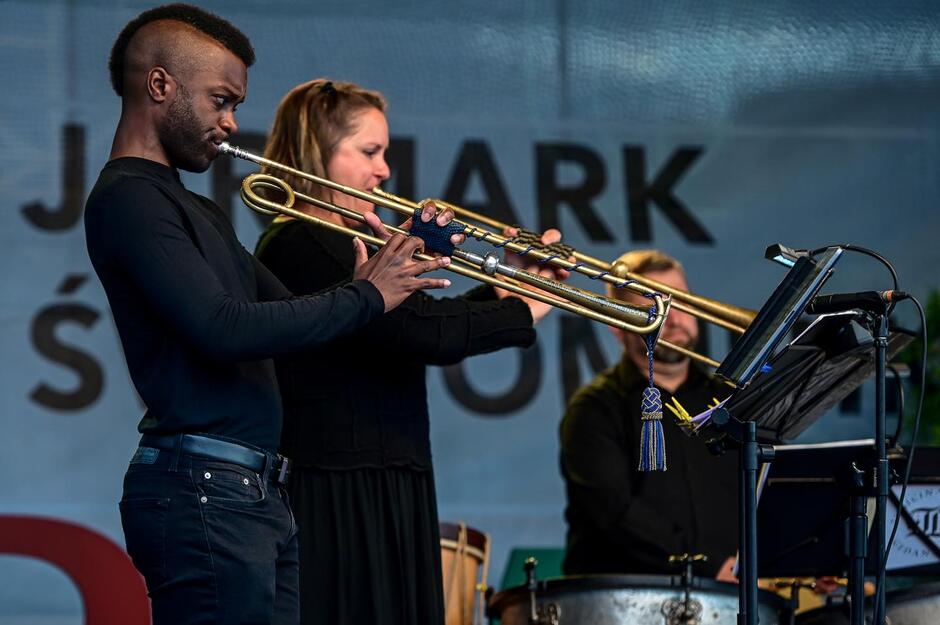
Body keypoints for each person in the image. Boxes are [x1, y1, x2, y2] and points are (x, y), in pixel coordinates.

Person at [84, 6, 452, 624]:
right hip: (204, 489)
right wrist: (364, 296)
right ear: (159, 85)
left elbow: (289, 316)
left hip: (250, 494)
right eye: (220, 101)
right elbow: (222, 327)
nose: (230, 124)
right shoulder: (128, 198)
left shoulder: (194, 208)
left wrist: (399, 257)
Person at [254, 78, 567, 625]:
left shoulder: (344, 245)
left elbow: (413, 325)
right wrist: (525, 307)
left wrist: (506, 288)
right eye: (369, 152)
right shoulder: (297, 242)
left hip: (385, 479)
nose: (384, 171)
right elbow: (420, 333)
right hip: (339, 496)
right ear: (315, 153)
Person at [559, 249, 739, 579]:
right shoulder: (594, 408)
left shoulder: (729, 400)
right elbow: (617, 514)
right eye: (654, 307)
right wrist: (710, 565)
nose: (673, 317)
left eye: (681, 302)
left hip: (730, 593)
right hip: (630, 600)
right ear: (616, 324)